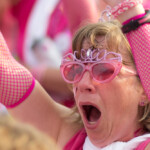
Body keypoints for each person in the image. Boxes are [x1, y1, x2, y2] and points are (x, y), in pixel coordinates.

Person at [0, 0, 150, 149]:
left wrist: (130, 13)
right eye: (77, 69)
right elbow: (6, 74)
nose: (83, 84)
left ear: (142, 88)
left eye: (103, 71)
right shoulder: (67, 134)